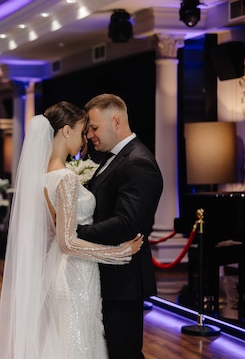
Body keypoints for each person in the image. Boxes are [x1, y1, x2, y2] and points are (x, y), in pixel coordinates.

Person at [0, 101, 144, 359]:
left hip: (62, 270)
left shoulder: (44, 175)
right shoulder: (66, 178)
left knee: (68, 341)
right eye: (82, 131)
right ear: (65, 131)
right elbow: (67, 241)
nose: (84, 138)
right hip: (76, 274)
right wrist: (118, 253)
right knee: (79, 344)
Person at [77, 93, 163, 359]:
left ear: (116, 120)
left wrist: (75, 233)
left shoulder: (138, 162)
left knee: (123, 351)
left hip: (124, 277)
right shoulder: (115, 158)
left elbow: (126, 223)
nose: (89, 134)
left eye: (93, 127)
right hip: (109, 272)